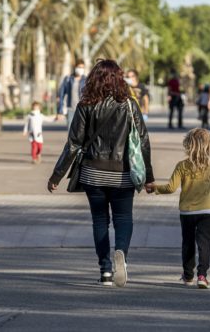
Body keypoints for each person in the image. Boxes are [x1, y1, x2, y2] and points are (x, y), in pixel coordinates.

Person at [48, 59, 154, 288]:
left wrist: (57, 175)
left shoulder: (85, 104)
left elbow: (73, 144)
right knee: (123, 218)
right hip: (122, 173)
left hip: (92, 173)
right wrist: (150, 178)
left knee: (100, 221)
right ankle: (121, 254)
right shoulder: (129, 104)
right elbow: (142, 142)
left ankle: (105, 270)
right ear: (119, 78)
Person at [145, 128, 210, 289]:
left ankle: (188, 275)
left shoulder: (182, 166)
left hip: (187, 212)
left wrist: (155, 188)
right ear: (208, 146)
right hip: (206, 212)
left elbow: (171, 188)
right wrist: (205, 197)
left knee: (188, 243)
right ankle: (202, 276)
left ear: (188, 145)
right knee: (204, 245)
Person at [56, 61, 86, 126]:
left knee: (82, 131)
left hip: (83, 110)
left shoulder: (86, 80)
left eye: (83, 68)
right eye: (79, 67)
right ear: (75, 67)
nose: (81, 69)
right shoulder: (68, 79)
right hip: (71, 109)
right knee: (70, 130)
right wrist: (60, 111)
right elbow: (61, 95)